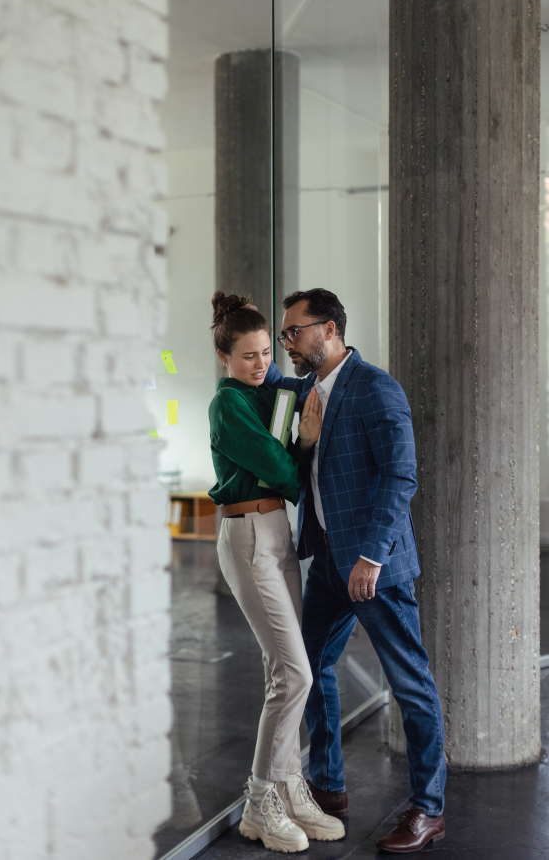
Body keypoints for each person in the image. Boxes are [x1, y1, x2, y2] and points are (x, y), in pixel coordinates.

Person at [262, 288, 446, 855]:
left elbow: (400, 477)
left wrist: (371, 556)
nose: (289, 343)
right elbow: (267, 394)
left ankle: (429, 810)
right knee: (308, 665)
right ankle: (331, 785)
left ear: (331, 329)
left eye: (295, 331)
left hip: (374, 567)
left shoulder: (376, 388)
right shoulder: (306, 391)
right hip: (327, 564)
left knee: (410, 685)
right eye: (285, 334)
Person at [208, 291, 345, 853]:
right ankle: (259, 799)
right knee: (298, 674)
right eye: (247, 356)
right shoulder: (229, 405)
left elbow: (305, 403)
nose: (261, 364)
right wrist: (303, 444)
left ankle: (288, 786)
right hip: (246, 537)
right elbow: (282, 469)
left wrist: (294, 443)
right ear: (225, 359)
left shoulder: (269, 393)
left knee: (281, 671)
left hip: (276, 533)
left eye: (266, 352)